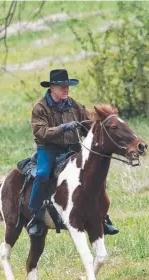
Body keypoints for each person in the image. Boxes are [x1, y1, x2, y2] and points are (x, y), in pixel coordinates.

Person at [27, 69, 119, 236]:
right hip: (49, 149)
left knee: (97, 174)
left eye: (67, 86)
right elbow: (40, 133)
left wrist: (99, 129)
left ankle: (103, 216)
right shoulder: (40, 108)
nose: (66, 89)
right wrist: (62, 128)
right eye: (62, 86)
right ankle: (35, 216)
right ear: (52, 88)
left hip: (72, 148)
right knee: (42, 174)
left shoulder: (74, 105)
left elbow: (88, 124)